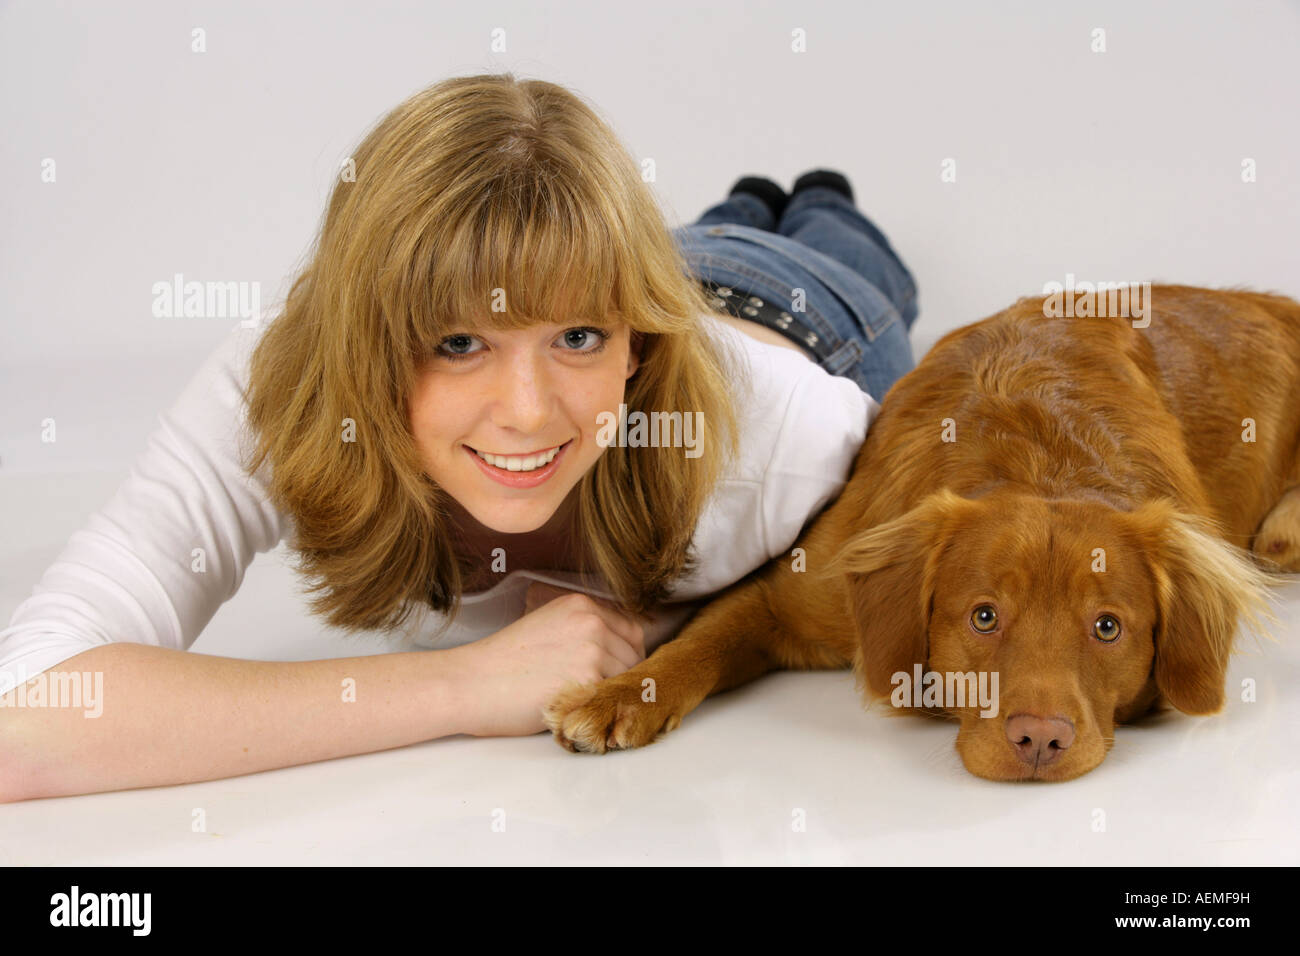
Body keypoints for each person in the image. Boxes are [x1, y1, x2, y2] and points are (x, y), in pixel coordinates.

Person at [0, 72, 917, 802]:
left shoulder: (795, 435)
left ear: (635, 345)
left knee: (837, 238)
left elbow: (853, 578)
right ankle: (736, 207)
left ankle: (822, 200)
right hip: (610, 265)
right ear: (362, 345)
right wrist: (464, 688)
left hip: (804, 314)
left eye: (578, 340)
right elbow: (22, 718)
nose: (525, 411)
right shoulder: (276, 390)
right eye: (457, 343)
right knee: (694, 227)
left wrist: (668, 623)